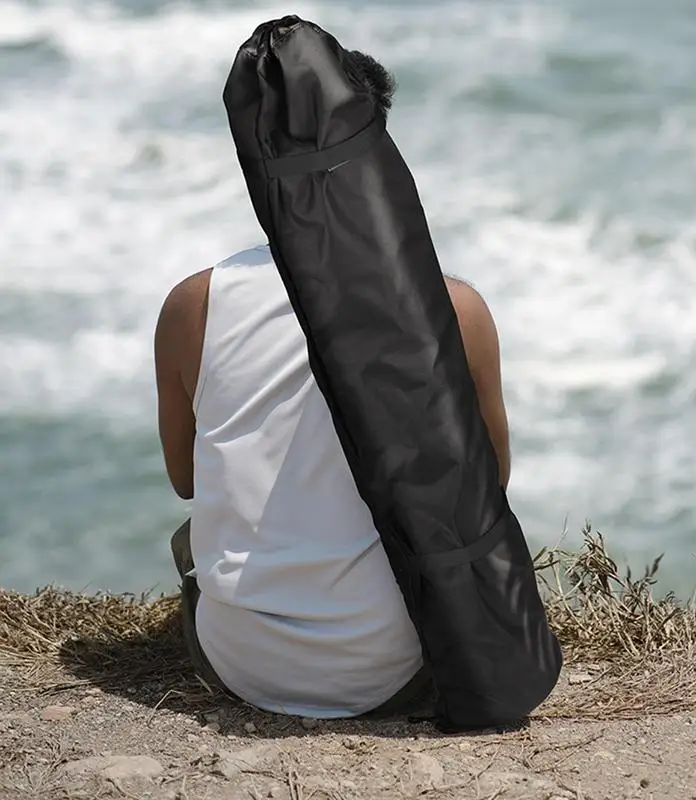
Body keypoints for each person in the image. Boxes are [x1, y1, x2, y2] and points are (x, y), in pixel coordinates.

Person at [154, 49, 511, 720]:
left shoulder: (193, 305)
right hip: (394, 667)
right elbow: (488, 482)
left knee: (188, 538)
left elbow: (187, 480)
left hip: (241, 666)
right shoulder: (452, 309)